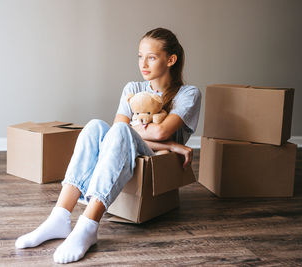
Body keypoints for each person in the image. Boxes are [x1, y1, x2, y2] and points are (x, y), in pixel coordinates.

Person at [15, 27, 201, 264]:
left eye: (151, 57)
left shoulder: (188, 94)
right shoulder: (133, 89)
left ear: (171, 60)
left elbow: (160, 130)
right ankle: (59, 217)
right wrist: (174, 145)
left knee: (122, 130)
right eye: (140, 56)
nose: (143, 63)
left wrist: (160, 140)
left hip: (156, 160)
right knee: (94, 126)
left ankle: (88, 225)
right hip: (146, 151)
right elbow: (117, 132)